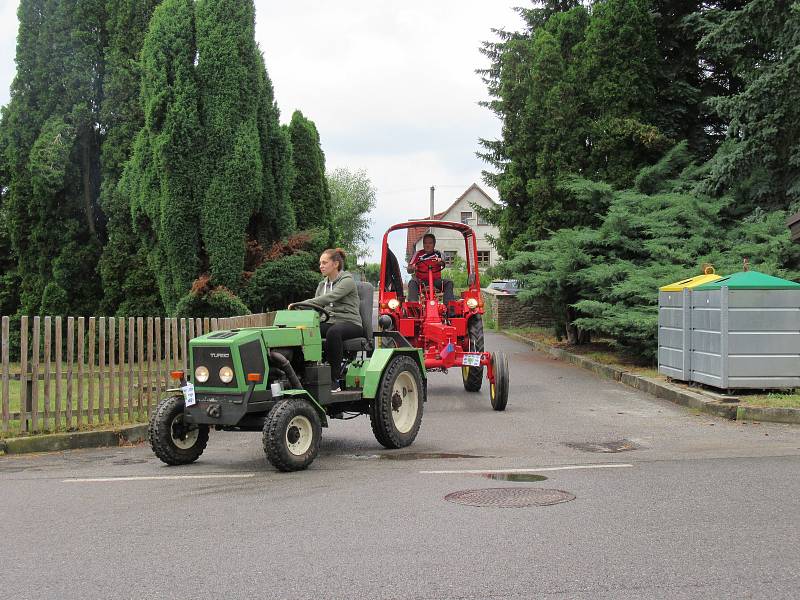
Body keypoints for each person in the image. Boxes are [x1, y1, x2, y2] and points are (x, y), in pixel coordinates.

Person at [292, 248, 364, 392]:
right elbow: (317, 308)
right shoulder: (322, 285)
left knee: (333, 332)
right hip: (330, 321)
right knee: (304, 331)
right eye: (320, 263)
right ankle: (301, 375)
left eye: (324, 263)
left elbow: (328, 298)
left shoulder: (347, 280)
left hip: (351, 323)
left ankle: (334, 380)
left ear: (336, 264)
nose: (321, 266)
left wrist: (302, 302)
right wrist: (300, 310)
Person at [407, 233, 455, 308]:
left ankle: (449, 307)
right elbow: (409, 269)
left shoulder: (438, 253)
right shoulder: (417, 254)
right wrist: (412, 268)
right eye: (425, 243)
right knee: (412, 282)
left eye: (430, 243)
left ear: (434, 244)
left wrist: (440, 262)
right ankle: (413, 307)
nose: (427, 245)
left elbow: (443, 262)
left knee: (449, 282)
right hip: (421, 281)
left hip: (436, 281)